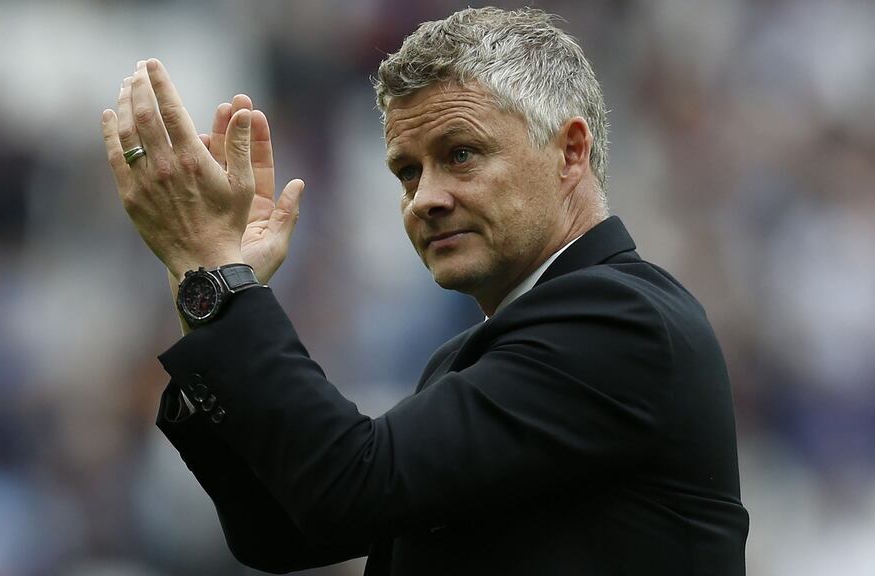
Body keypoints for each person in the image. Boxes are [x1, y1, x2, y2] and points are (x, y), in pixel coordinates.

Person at [101, 7, 749, 576]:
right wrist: (210, 301)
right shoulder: (474, 355)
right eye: (408, 172)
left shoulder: (623, 320)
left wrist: (220, 279)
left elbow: (349, 485)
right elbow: (283, 532)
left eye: (460, 154)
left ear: (570, 151)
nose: (426, 199)